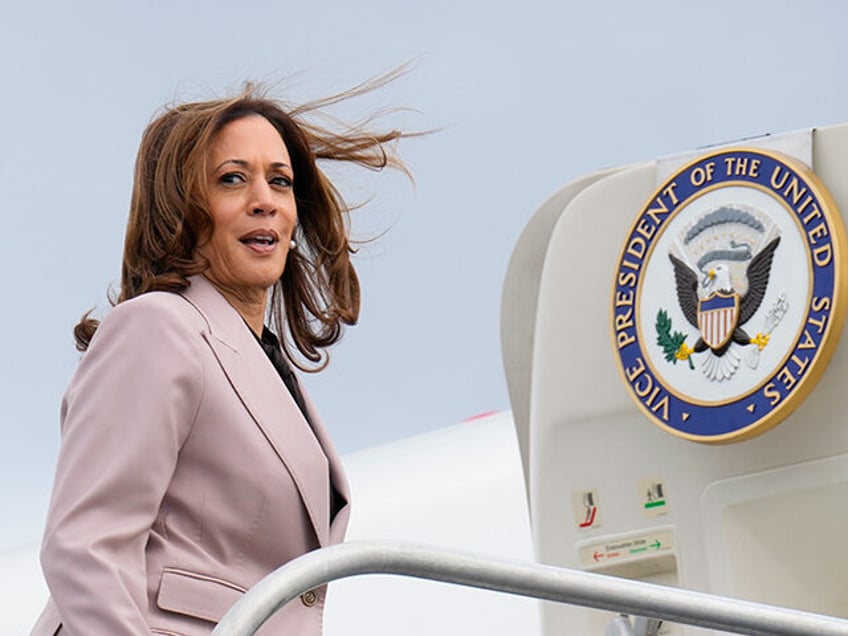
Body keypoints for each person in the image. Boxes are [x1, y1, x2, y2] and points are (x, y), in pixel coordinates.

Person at [31, 79, 410, 635]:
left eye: (280, 182)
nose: (265, 200)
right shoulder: (158, 327)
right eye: (232, 179)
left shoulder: (265, 365)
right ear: (181, 207)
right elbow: (85, 546)